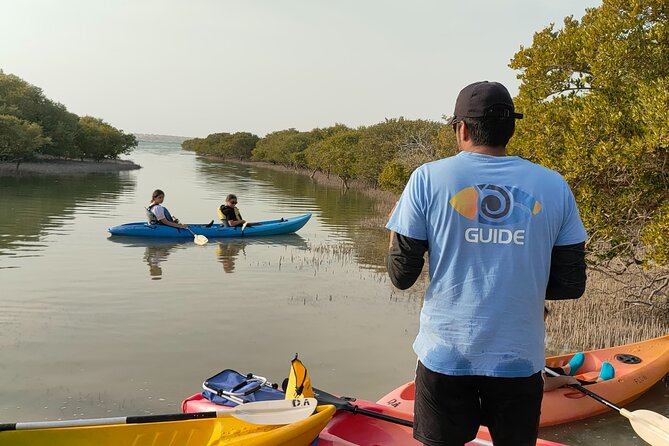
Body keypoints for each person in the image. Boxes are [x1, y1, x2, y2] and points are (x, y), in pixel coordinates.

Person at [386, 81, 587, 446]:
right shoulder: (554, 185)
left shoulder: (427, 179)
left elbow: (402, 276)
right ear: (511, 129)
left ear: (461, 128)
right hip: (519, 358)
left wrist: (396, 234)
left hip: (445, 355)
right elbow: (571, 284)